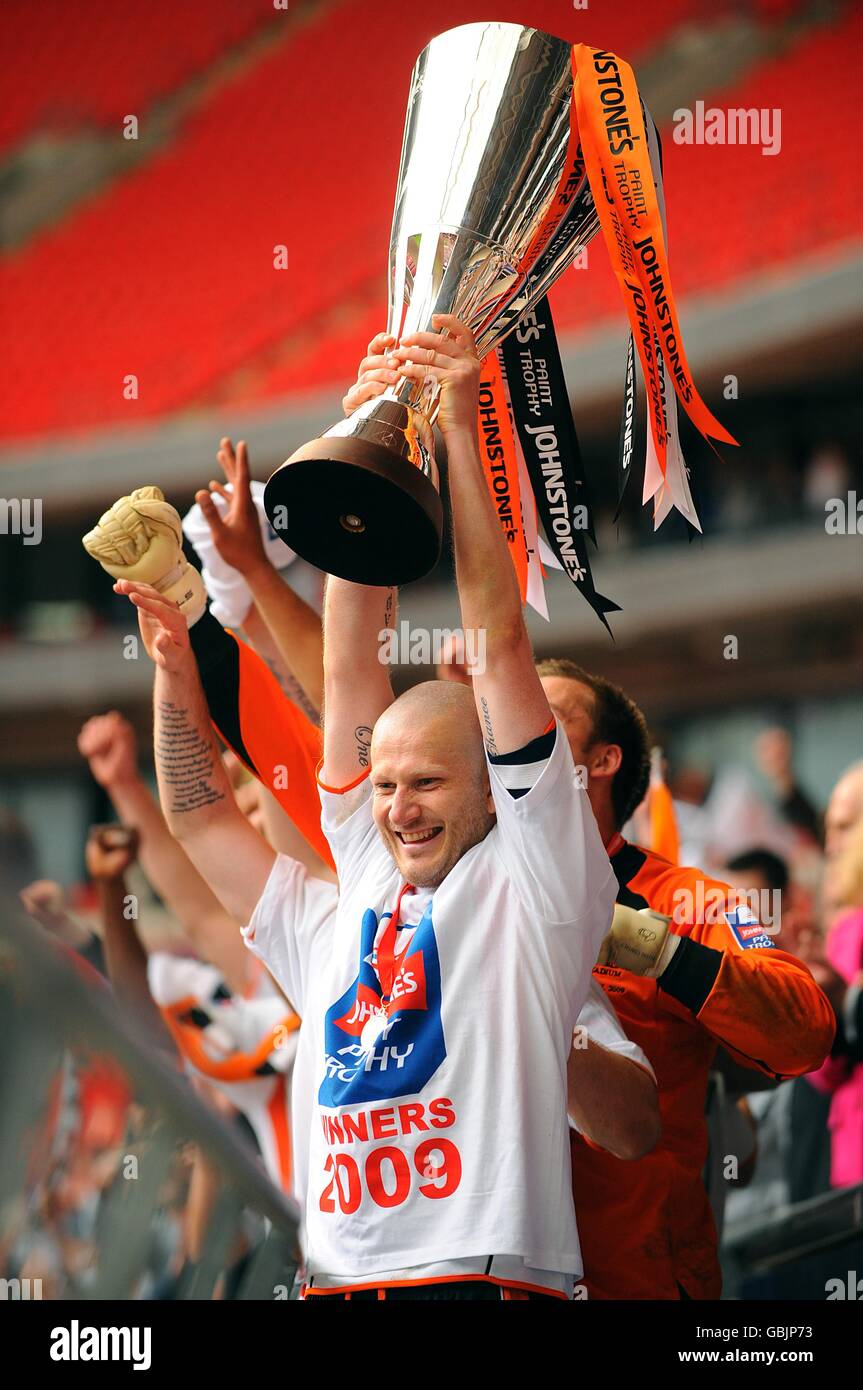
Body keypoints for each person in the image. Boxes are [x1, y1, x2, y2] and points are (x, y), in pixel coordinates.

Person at [107, 314, 650, 1300]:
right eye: (383, 783)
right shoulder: (347, 887)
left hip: (483, 1281)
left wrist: (452, 419)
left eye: (427, 784)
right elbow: (208, 806)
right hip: (335, 1288)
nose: (392, 807)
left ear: (496, 788)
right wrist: (370, 437)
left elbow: (494, 643)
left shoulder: (535, 883)